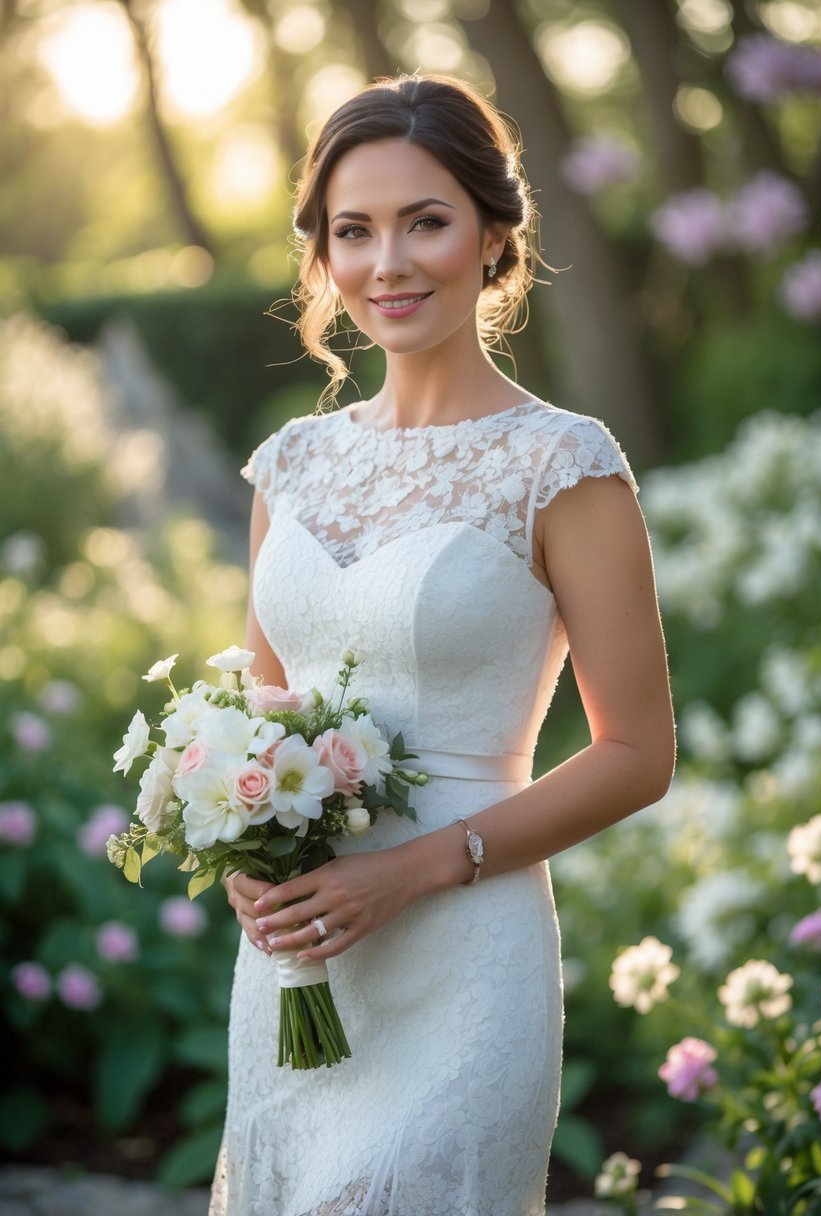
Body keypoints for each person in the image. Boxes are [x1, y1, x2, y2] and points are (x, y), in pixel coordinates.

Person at [212, 72, 675, 1216]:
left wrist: (418, 867)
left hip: (466, 952)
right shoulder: (290, 467)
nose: (388, 263)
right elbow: (261, 721)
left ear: (492, 234)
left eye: (425, 221)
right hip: (303, 962)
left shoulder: (563, 466)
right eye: (353, 230)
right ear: (321, 254)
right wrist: (239, 851)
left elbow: (637, 752)